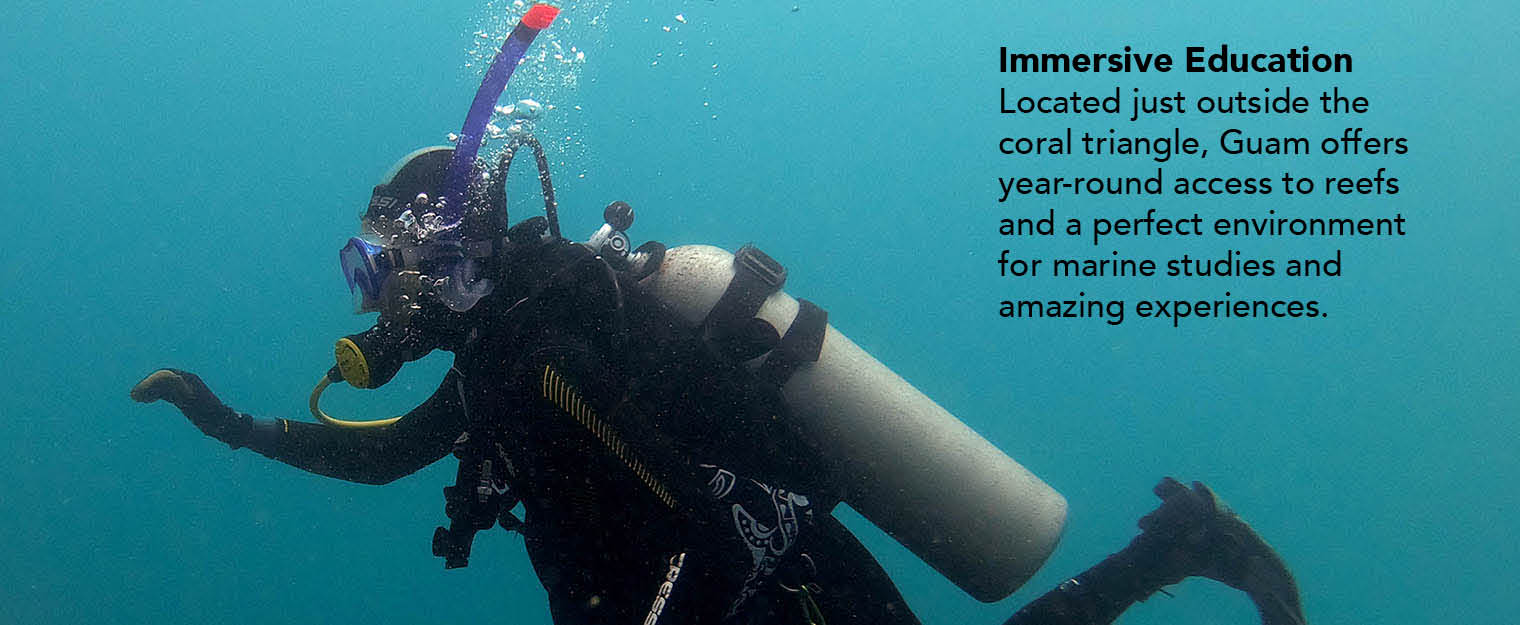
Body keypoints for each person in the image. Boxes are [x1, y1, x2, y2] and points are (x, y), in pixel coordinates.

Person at [131, 143, 1305, 625]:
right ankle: (1177, 547)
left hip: (774, 585)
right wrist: (233, 426)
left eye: (380, 269)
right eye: (365, 276)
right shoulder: (502, 360)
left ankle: (1177, 548)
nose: (375, 304)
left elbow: (692, 508)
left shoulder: (542, 349)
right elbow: (388, 451)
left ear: (448, 252)